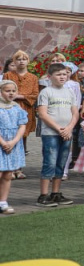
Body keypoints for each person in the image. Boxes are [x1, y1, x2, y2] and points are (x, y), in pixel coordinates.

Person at [36, 62, 78, 207]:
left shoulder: (70, 92)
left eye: (65, 74)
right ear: (50, 77)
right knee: (50, 162)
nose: (62, 77)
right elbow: (42, 114)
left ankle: (56, 193)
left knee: (61, 163)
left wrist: (69, 128)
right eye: (58, 74)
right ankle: (43, 195)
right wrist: (59, 129)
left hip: (67, 133)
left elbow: (75, 113)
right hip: (51, 133)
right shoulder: (46, 92)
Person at [2, 50, 39, 173]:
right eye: (18, 59)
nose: (21, 61)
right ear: (14, 61)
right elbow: (3, 89)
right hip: (7, 109)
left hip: (25, 109)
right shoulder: (8, 75)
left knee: (22, 138)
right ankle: (8, 168)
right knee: (7, 135)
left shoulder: (33, 77)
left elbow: (35, 95)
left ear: (28, 61)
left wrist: (20, 96)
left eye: (24, 59)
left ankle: (18, 168)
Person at [0, 80, 28, 214]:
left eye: (13, 91)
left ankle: (3, 201)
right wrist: (3, 142)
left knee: (8, 174)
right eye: (7, 91)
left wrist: (13, 141)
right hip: (1, 143)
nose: (11, 93)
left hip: (13, 144)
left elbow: (22, 125)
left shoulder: (17, 107)